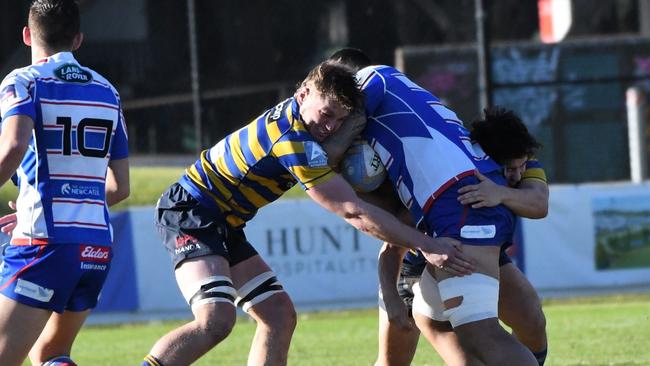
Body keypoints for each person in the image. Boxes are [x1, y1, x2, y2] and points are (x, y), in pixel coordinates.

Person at [141, 60, 474, 366]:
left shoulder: (304, 126)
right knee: (215, 320)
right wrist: (427, 245)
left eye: (340, 119)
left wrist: (346, 126)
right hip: (190, 209)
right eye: (326, 115)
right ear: (302, 95)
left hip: (225, 222)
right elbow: (353, 211)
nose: (330, 126)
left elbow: (325, 150)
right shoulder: (290, 140)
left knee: (278, 315)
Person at [329, 48, 538, 365]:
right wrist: (391, 296)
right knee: (436, 325)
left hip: (460, 210)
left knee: (485, 335)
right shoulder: (409, 123)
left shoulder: (373, 78)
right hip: (451, 218)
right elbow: (387, 234)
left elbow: (539, 202)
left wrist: (317, 159)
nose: (332, 118)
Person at [0, 1, 130, 365]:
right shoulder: (108, 91)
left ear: (27, 35)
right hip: (96, 247)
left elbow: (12, 147)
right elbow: (120, 187)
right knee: (51, 354)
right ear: (78, 39)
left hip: (43, 245)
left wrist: (43, 207)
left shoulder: (23, 81)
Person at [376, 107, 549, 366]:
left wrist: (500, 193)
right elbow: (391, 247)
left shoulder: (519, 159)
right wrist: (390, 296)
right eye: (509, 169)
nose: (517, 175)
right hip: (417, 264)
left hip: (477, 253)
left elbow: (538, 203)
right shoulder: (449, 178)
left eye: (521, 165)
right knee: (394, 361)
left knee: (531, 318)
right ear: (483, 159)